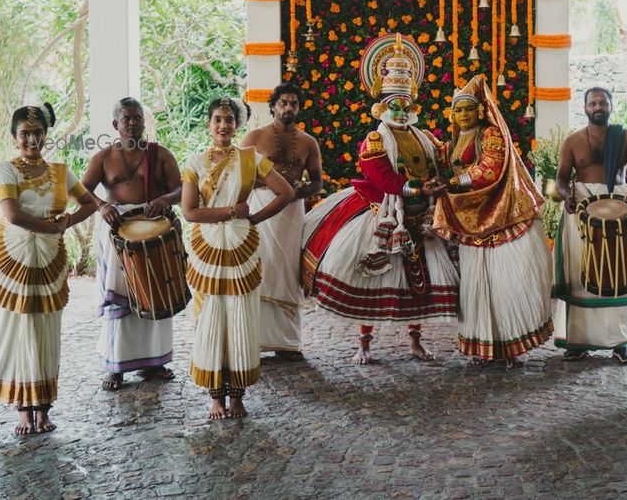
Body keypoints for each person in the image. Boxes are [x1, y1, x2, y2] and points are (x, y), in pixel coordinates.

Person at [301, 34, 459, 364]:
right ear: (381, 108)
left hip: (421, 216)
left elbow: (443, 160)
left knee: (418, 283)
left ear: (413, 107)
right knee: (373, 280)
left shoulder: (425, 137)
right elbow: (382, 178)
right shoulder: (375, 139)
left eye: (406, 106)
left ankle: (415, 341)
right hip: (385, 213)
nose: (400, 112)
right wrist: (420, 188)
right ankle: (364, 343)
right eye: (394, 106)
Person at [0, 104, 97, 434]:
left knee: (47, 326)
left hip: (49, 257)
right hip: (13, 256)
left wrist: (68, 221)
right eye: (25, 134)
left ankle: (44, 408)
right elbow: (13, 215)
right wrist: (52, 227)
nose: (32, 140)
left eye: (37, 133)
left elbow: (89, 202)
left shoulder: (61, 172)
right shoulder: (6, 170)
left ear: (46, 135)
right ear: (14, 136)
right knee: (18, 325)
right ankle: (23, 409)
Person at [181, 97, 295, 419]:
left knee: (240, 316)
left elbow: (286, 192)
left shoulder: (250, 159)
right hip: (207, 248)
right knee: (211, 315)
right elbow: (190, 212)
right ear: (208, 124)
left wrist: (254, 218)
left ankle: (237, 396)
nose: (223, 125)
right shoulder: (194, 163)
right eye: (217, 119)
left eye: (229, 120)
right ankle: (216, 396)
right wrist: (233, 212)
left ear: (237, 125)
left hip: (242, 246)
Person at [432, 75, 553, 368]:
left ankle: (511, 346)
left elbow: (489, 170)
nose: (463, 114)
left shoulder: (491, 135)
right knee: (475, 286)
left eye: (468, 109)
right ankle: (483, 346)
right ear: (452, 114)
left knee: (506, 283)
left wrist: (455, 182)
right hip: (471, 222)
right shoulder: (449, 145)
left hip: (504, 216)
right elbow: (438, 167)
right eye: (458, 110)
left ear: (479, 111)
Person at [81, 97, 182, 391]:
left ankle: (154, 361)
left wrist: (165, 199)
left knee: (155, 292)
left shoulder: (160, 154)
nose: (133, 123)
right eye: (127, 118)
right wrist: (102, 206)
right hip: (118, 230)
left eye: (138, 117)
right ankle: (115, 366)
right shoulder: (103, 157)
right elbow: (81, 189)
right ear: (116, 124)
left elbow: (181, 189)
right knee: (121, 298)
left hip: (154, 228)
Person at [553, 87, 627, 362]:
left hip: (617, 207)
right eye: (593, 103)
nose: (598, 106)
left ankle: (619, 342)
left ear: (611, 106)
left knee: (616, 272)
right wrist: (567, 197)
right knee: (581, 272)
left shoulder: (625, 137)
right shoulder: (572, 141)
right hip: (581, 208)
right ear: (585, 108)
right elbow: (561, 179)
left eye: (603, 102)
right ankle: (578, 341)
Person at [241, 83, 322, 361]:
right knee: (260, 268)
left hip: (292, 212)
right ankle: (253, 342)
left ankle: (287, 344)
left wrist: (298, 192)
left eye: (293, 103)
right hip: (261, 207)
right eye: (283, 103)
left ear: (299, 108)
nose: (288, 108)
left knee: (288, 272)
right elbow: (238, 176)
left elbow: (317, 182)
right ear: (273, 106)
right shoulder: (254, 137)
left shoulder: (308, 142)